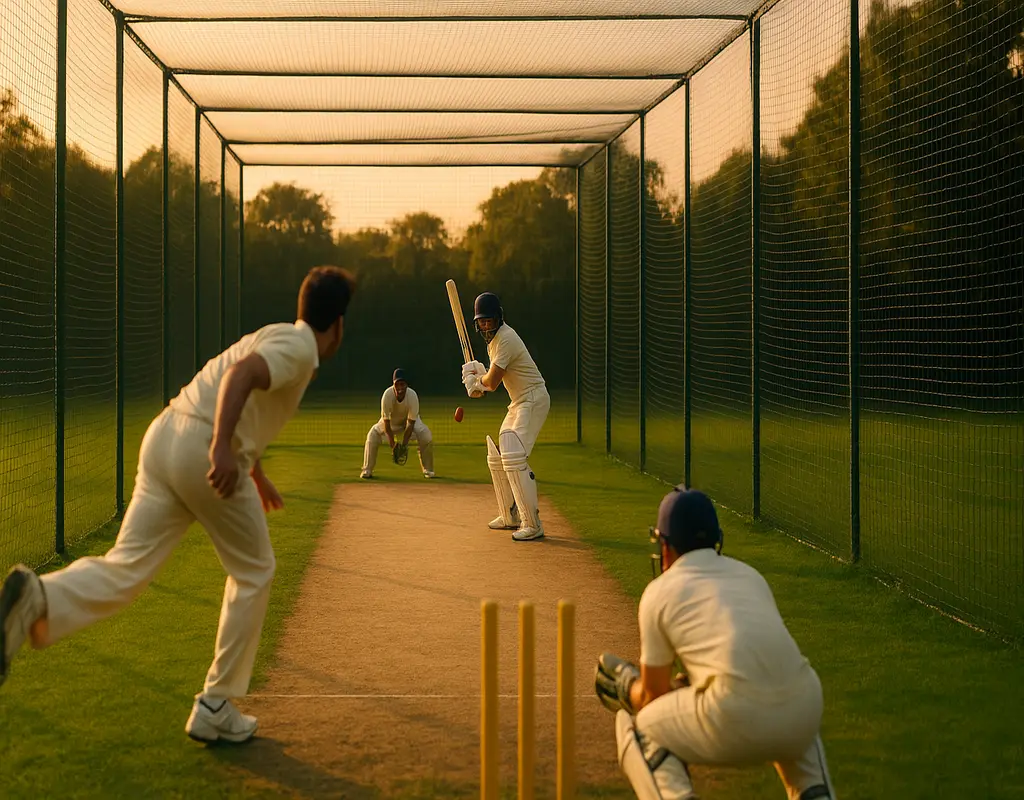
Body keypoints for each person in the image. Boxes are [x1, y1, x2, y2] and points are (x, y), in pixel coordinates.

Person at [0, 265, 357, 745]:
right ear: (337, 325)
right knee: (255, 570)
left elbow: (242, 392)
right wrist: (221, 448)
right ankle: (216, 704)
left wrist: (253, 469)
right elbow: (240, 376)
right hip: (201, 449)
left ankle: (35, 597)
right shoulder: (299, 348)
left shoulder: (276, 335)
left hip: (166, 435)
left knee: (126, 567)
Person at [594, 486, 836, 800]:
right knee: (788, 699)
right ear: (716, 540)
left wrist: (628, 686)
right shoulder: (750, 576)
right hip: (805, 707)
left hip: (733, 713)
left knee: (638, 728)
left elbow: (653, 697)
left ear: (665, 547)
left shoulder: (659, 592)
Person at [461, 292, 549, 542]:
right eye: (482, 321)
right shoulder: (494, 343)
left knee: (512, 451)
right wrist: (477, 382)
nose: (486, 325)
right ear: (477, 323)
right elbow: (486, 388)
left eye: (490, 320)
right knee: (497, 454)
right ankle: (509, 515)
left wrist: (476, 379)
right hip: (519, 402)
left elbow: (493, 382)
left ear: (499, 318)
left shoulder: (507, 338)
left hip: (533, 398)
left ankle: (532, 523)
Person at [360, 368, 434, 479]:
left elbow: (411, 424)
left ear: (406, 385)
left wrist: (404, 445)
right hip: (391, 424)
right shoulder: (387, 395)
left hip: (408, 424)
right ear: (393, 384)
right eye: (397, 384)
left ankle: (428, 470)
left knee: (426, 435)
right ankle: (367, 470)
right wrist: (393, 445)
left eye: (402, 384)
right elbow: (386, 423)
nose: (400, 388)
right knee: (372, 435)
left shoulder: (412, 396)